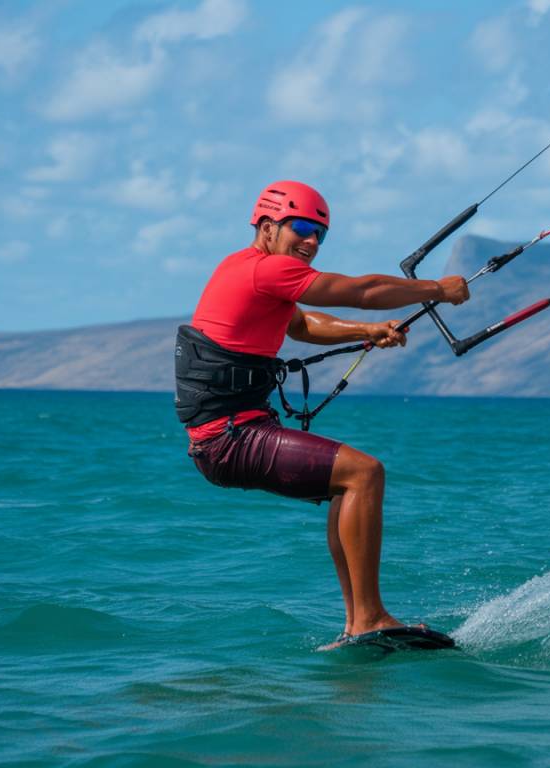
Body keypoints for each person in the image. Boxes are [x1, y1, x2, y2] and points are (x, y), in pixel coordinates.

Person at [175, 180, 469, 646]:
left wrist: (367, 331)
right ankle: (369, 617)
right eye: (302, 228)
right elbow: (363, 290)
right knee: (364, 473)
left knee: (346, 484)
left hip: (228, 435)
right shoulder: (266, 269)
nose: (312, 241)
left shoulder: (246, 270)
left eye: (321, 234)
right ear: (267, 226)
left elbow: (302, 324)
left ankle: (358, 624)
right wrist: (437, 289)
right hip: (229, 438)